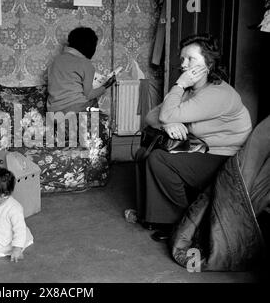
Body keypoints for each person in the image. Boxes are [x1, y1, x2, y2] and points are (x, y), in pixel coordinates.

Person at [142, 33, 252, 242]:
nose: (183, 64)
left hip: (226, 158)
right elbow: (151, 117)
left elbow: (165, 114)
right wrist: (169, 123)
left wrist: (179, 88)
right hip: (201, 149)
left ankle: (183, 223)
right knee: (151, 154)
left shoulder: (217, 93)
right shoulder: (192, 89)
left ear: (208, 64)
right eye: (182, 58)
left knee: (160, 159)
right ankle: (167, 218)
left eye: (190, 59)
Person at [47, 26, 116, 113]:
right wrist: (105, 86)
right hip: (74, 112)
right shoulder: (85, 63)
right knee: (93, 103)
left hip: (52, 113)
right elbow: (89, 95)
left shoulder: (55, 61)